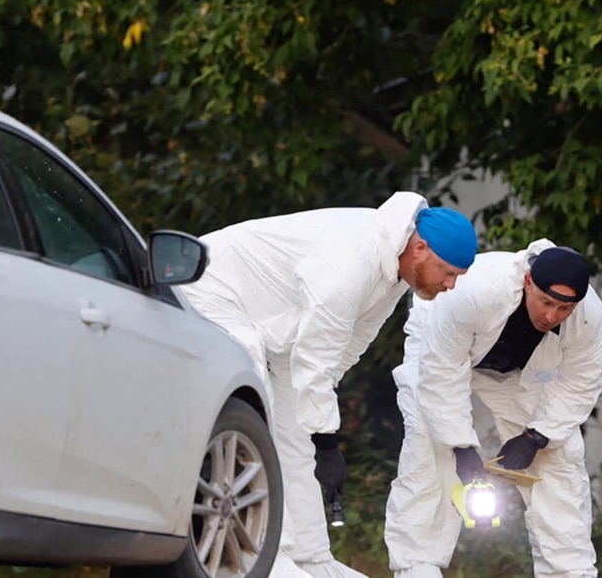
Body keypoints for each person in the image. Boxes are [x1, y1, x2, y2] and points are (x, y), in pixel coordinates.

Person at [180, 191, 478, 578]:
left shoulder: (394, 272)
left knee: (297, 427)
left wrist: (318, 431)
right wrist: (326, 441)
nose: (450, 285)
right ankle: (264, 551)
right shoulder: (356, 258)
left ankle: (308, 553)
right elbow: (317, 353)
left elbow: (346, 348)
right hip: (209, 287)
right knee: (255, 404)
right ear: (420, 249)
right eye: (447, 272)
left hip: (275, 326)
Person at [383, 239, 602, 578]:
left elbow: (580, 384)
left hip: (512, 369)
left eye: (564, 309)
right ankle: (417, 568)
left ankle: (569, 571)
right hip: (441, 348)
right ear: (528, 282)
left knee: (558, 456)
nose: (552, 316)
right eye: (546, 302)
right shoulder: (476, 292)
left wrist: (537, 436)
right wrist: (462, 448)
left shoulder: (590, 320)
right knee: (429, 447)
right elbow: (442, 374)